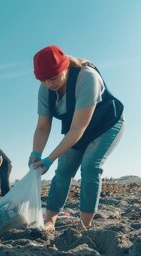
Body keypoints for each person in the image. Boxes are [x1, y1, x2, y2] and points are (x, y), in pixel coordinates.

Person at [29, 45, 124, 232]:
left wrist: (50, 158)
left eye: (54, 77)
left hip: (106, 125)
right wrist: (36, 153)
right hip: (77, 129)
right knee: (63, 171)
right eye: (44, 80)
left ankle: (84, 224)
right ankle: (50, 219)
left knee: (90, 166)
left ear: (65, 67)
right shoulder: (45, 88)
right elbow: (42, 126)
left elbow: (78, 128)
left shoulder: (87, 77)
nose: (50, 83)